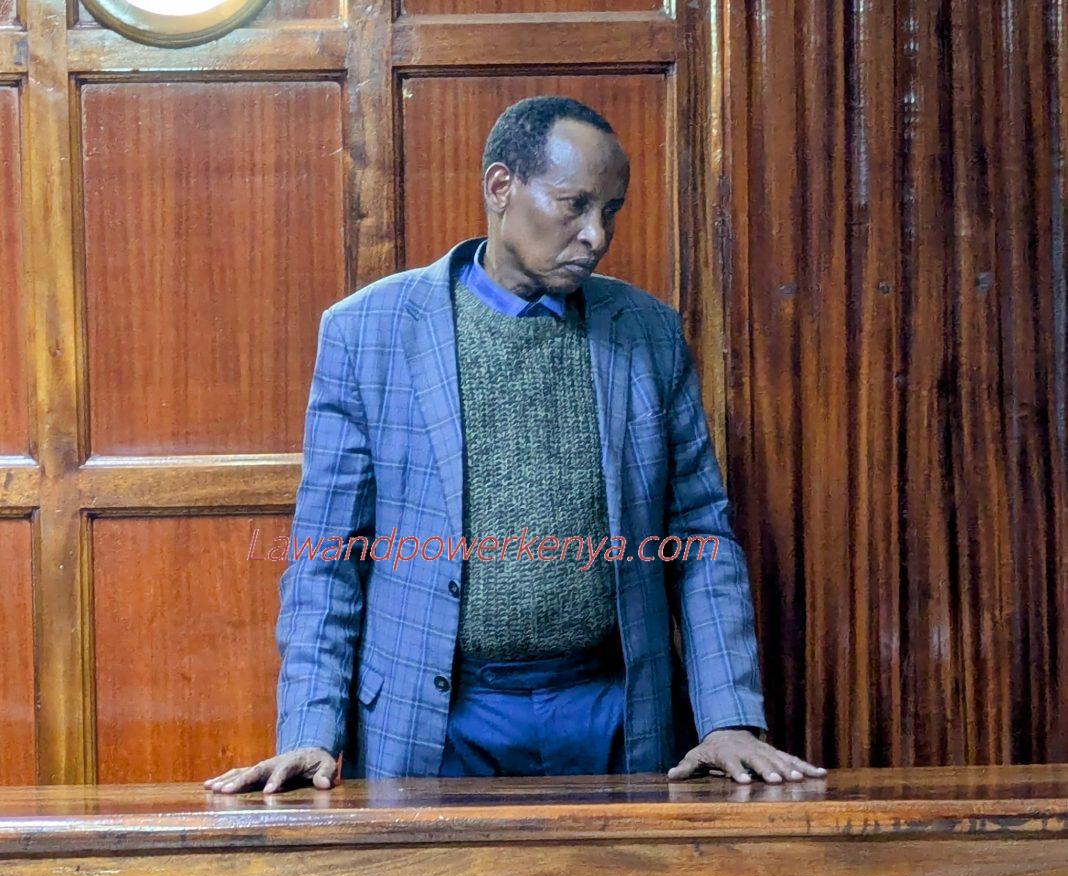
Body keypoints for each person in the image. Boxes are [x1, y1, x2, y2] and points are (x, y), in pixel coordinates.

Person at [204, 95, 826, 794]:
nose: (596, 234)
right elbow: (326, 557)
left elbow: (701, 536)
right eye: (574, 205)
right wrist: (310, 729)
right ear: (501, 187)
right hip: (436, 715)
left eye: (610, 211)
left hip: (615, 709)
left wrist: (730, 717)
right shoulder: (367, 332)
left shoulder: (648, 333)